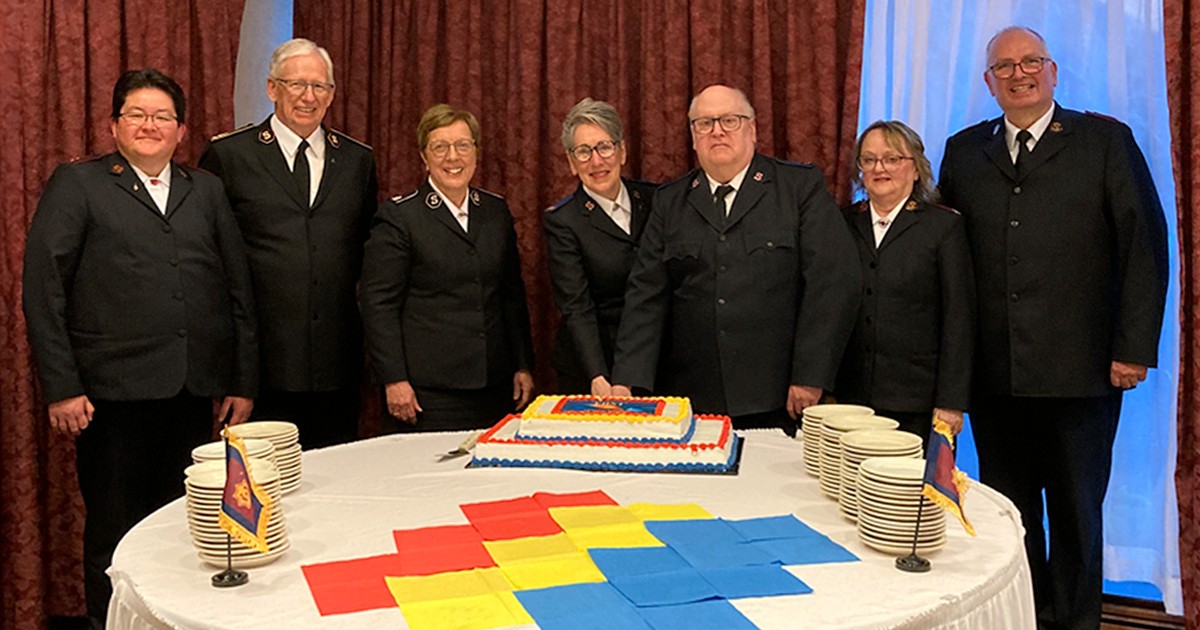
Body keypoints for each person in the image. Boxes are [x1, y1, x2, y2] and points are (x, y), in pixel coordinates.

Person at [939, 27, 1169, 629]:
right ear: (988, 83)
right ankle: (1025, 618)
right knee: (1009, 515)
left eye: (1030, 62)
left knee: (1075, 516)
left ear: (1053, 70)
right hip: (996, 374)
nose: (1019, 74)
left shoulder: (1104, 141)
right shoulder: (964, 151)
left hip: (1082, 371)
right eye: (1004, 67)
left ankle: (1075, 623)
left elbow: (1144, 247)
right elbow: (950, 257)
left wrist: (1134, 349)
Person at [22, 69, 257, 627]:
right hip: (110, 399)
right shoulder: (79, 185)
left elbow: (237, 288)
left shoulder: (207, 189)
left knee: (185, 529)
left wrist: (243, 382)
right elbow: (43, 288)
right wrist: (62, 388)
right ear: (114, 125)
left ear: (181, 130)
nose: (150, 126)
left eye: (162, 117)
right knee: (115, 531)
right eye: (137, 115)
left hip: (194, 391)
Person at [611, 84, 860, 434]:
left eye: (729, 120)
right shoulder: (671, 202)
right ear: (693, 136)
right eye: (704, 123)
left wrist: (811, 375)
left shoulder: (797, 188)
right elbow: (646, 295)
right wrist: (629, 381)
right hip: (689, 402)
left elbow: (833, 282)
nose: (717, 131)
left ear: (752, 129)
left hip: (779, 398)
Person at [199, 38, 378, 449]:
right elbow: (212, 267)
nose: (308, 96)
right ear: (272, 88)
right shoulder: (229, 156)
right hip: (261, 371)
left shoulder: (356, 161)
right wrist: (233, 373)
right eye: (296, 84)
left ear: (331, 95)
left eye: (319, 87)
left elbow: (366, 255)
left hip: (337, 368)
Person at [360, 104, 535, 431]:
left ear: (476, 153)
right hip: (428, 393)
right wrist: (394, 378)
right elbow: (378, 304)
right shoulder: (400, 218)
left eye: (462, 145)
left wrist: (522, 364)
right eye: (440, 147)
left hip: (496, 386)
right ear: (424, 157)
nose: (452, 157)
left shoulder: (495, 212)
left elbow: (511, 295)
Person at [834, 120, 974, 446]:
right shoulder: (840, 223)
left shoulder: (943, 227)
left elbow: (959, 319)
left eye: (893, 159)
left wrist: (951, 401)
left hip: (917, 402)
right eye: (869, 159)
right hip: (849, 400)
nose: (880, 168)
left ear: (915, 169)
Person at [544, 98, 657, 396]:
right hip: (595, 369)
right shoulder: (563, 221)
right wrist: (597, 374)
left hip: (654, 362)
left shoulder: (656, 200)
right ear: (570, 162)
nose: (596, 161)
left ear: (622, 151)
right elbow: (576, 306)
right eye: (583, 151)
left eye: (604, 147)